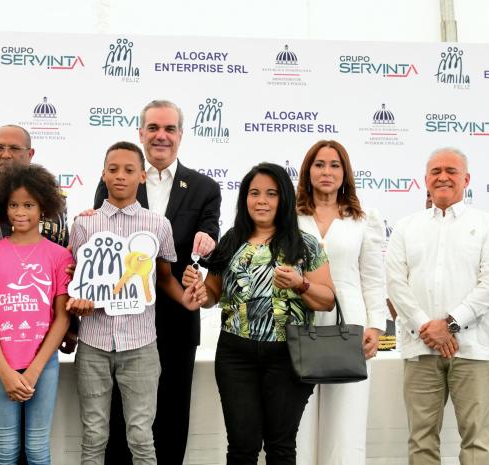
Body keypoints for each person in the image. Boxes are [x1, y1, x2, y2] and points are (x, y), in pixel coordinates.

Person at [181, 162, 336, 465]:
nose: (261, 201)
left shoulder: (305, 245)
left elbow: (327, 300)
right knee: (242, 445)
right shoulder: (230, 240)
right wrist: (200, 293)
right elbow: (213, 294)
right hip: (235, 355)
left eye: (271, 194)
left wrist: (301, 284)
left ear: (284, 200)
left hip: (290, 355)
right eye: (254, 193)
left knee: (280, 446)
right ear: (244, 198)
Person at [95, 100, 220, 465]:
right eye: (153, 128)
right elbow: (102, 237)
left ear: (181, 134)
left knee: (172, 411)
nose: (160, 136)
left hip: (178, 318)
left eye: (169, 129)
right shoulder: (120, 175)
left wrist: (208, 244)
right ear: (141, 133)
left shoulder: (204, 187)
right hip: (123, 317)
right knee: (121, 414)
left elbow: (209, 239)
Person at [386, 148, 489, 465]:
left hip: (474, 350)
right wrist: (427, 328)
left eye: (451, 171)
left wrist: (449, 325)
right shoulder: (405, 227)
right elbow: (395, 284)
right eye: (435, 170)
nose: (443, 176)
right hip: (420, 349)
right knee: (421, 441)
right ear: (425, 180)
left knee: (476, 442)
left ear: (466, 179)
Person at [69, 141, 185, 465]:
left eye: (129, 170)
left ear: (142, 177)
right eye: (113, 169)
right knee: (93, 435)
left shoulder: (158, 225)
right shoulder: (83, 224)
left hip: (141, 345)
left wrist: (189, 297)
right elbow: (74, 277)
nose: (120, 176)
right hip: (93, 342)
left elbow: (163, 277)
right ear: (103, 174)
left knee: (141, 436)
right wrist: (77, 303)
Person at [0, 125, 75, 465]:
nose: (21, 212)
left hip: (44, 367)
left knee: (37, 448)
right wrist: (3, 367)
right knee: (5, 448)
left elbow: (61, 317)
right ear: (3, 208)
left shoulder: (59, 256)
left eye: (29, 205)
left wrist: (34, 370)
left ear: (43, 207)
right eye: (14, 205)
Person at [294, 140, 387, 464]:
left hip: (350, 326)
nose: (327, 172)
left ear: (345, 173)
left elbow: (374, 278)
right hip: (298, 323)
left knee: (345, 425)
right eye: (319, 164)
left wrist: (376, 326)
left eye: (335, 165)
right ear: (308, 171)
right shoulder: (290, 218)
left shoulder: (363, 220)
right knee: (297, 423)